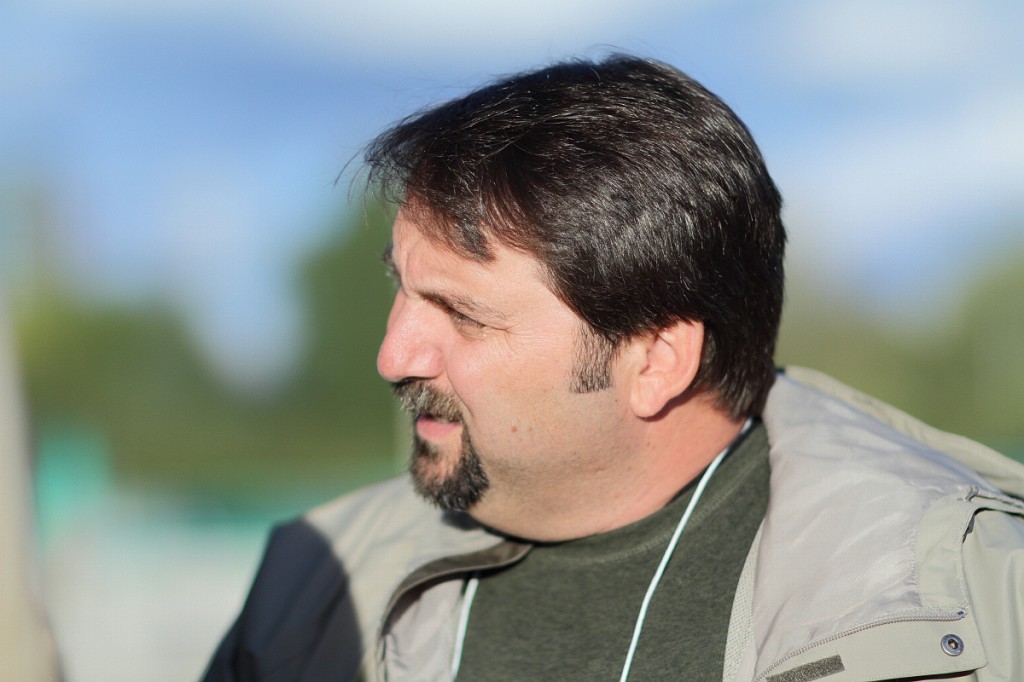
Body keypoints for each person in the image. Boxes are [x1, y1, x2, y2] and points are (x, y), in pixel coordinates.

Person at [204, 55, 1024, 682]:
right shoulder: (315, 583)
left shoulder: (968, 599)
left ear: (657, 361)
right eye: (403, 288)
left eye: (463, 314)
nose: (394, 355)